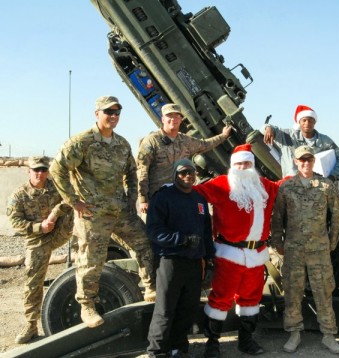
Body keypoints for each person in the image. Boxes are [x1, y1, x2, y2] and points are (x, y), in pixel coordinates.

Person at [49, 95, 156, 328]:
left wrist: (131, 199)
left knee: (144, 241)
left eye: (117, 112)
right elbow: (56, 169)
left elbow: (131, 172)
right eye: (109, 112)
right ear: (97, 113)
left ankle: (150, 287)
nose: (114, 116)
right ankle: (87, 305)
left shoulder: (122, 144)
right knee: (91, 260)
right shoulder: (82, 142)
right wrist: (74, 201)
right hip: (93, 215)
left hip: (119, 210)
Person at [193, 143, 285, 357]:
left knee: (251, 299)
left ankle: (246, 340)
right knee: (221, 298)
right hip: (229, 255)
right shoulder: (222, 184)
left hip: (256, 255)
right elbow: (192, 192)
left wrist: (302, 173)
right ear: (233, 166)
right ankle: (212, 343)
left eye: (247, 163)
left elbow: (282, 185)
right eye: (239, 163)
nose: (243, 167)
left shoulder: (264, 186)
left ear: (252, 165)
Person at [270, 145, 339, 354]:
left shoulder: (325, 186)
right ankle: (294, 333)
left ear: (313, 161)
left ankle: (329, 335)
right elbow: (277, 218)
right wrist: (278, 243)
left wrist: (332, 241)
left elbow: (337, 214)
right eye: (301, 160)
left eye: (309, 159)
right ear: (295, 162)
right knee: (293, 292)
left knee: (324, 292)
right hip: (293, 250)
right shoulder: (287, 188)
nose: (305, 163)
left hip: (319, 250)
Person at [146, 159, 214, 358]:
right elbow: (154, 230)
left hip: (194, 263)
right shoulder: (164, 197)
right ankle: (157, 351)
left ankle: (178, 348)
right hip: (170, 262)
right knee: (165, 309)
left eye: (191, 173)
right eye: (183, 173)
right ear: (175, 175)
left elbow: (206, 231)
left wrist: (209, 259)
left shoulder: (199, 200)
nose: (188, 176)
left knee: (188, 308)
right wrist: (181, 240)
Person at [7, 156, 74, 344]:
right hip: (37, 239)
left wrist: (55, 213)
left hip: (60, 231)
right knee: (33, 281)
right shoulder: (19, 195)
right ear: (28, 171)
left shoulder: (55, 187)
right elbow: (16, 221)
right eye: (36, 170)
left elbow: (71, 199)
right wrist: (40, 227)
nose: (40, 174)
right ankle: (30, 325)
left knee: (80, 216)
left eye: (43, 170)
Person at [136, 103, 232, 215]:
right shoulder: (151, 141)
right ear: (163, 119)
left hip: (179, 197)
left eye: (177, 116)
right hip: (157, 199)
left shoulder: (185, 140)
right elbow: (142, 171)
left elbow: (205, 144)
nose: (173, 119)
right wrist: (143, 199)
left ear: (181, 119)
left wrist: (224, 135)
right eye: (169, 116)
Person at [263, 104, 339, 180]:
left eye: (310, 120)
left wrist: (333, 176)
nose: (307, 123)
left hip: (316, 185)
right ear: (299, 122)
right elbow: (266, 129)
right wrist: (268, 128)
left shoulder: (325, 141)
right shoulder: (287, 136)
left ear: (315, 122)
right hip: (291, 185)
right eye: (304, 120)